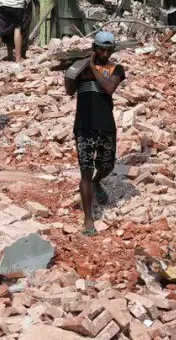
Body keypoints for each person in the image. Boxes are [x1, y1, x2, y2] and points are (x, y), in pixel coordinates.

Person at [64, 31, 126, 235]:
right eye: (101, 49)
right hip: (84, 125)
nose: (105, 53)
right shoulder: (83, 68)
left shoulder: (115, 69)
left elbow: (109, 89)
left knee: (107, 165)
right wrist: (73, 71)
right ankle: (88, 218)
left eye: (109, 50)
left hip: (106, 125)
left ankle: (98, 181)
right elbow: (70, 90)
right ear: (95, 48)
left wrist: (92, 68)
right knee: (85, 171)